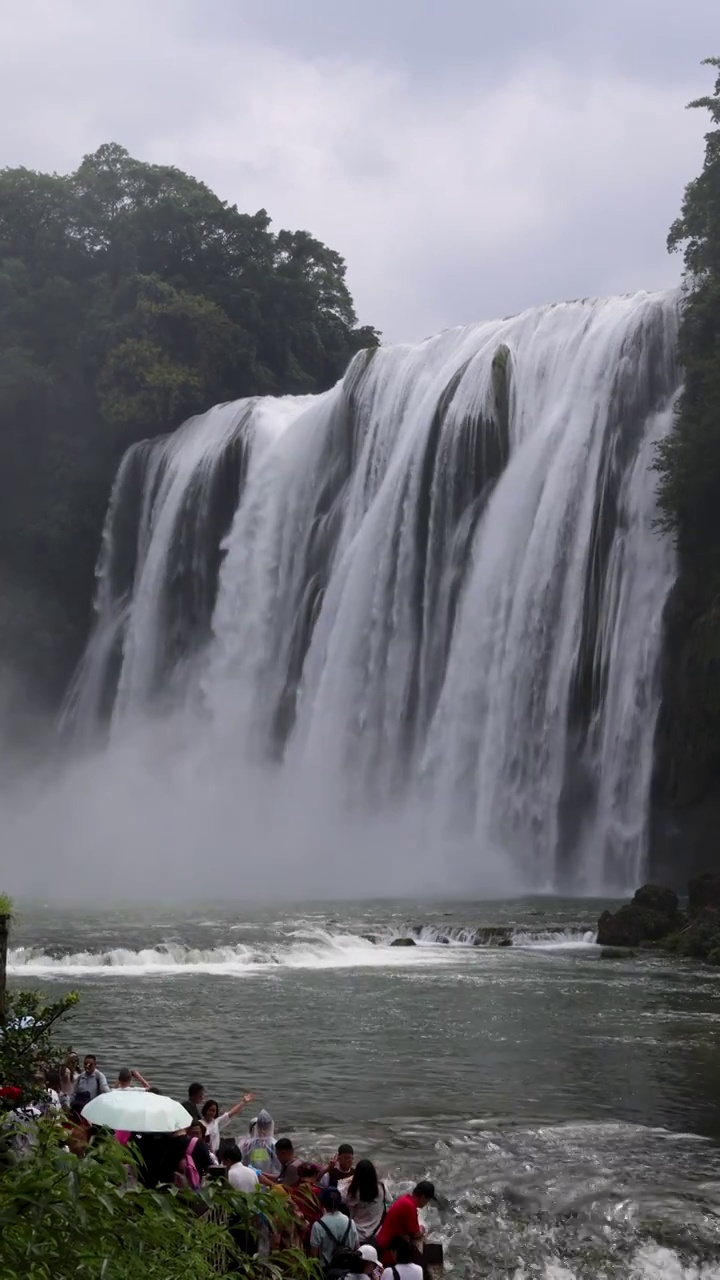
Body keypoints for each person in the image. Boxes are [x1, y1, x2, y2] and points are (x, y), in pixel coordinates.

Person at [376, 1182, 436, 1262]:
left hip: (383, 1243)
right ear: (422, 1197)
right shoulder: (410, 1207)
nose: (426, 1203)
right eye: (427, 1200)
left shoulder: (405, 1199)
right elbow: (416, 1234)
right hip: (387, 1251)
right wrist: (422, 1229)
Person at [309, 1187, 360, 1270]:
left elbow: (313, 1255)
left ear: (322, 1203)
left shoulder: (318, 1225)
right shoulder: (351, 1223)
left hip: (325, 1271)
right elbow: (357, 1247)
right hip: (346, 1270)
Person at [345, 1159, 387, 1244]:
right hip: (377, 1233)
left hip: (357, 1234)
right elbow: (388, 1201)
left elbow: (351, 1214)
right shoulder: (381, 1187)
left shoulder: (353, 1192)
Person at [241, 1108, 280, 1176]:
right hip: (267, 1178)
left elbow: (243, 1162)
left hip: (253, 1177)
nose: (263, 1130)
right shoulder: (273, 1144)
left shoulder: (247, 1144)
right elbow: (278, 1166)